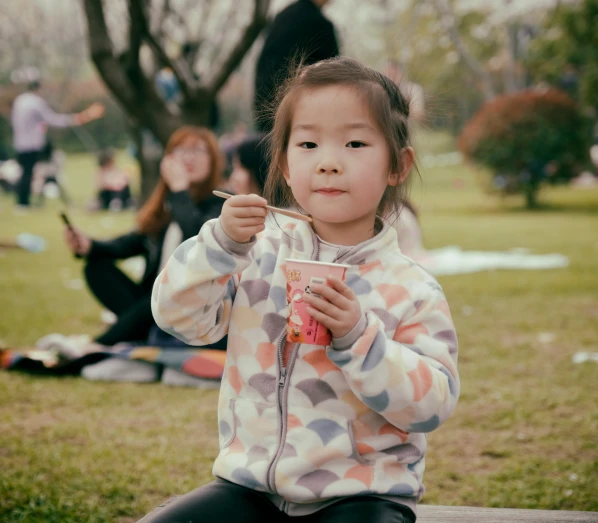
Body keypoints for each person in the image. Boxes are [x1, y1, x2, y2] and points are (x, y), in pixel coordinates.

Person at [146, 57, 459, 522]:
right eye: (308, 143)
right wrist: (219, 245)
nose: (329, 163)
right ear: (286, 166)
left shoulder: (410, 288)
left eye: (355, 143)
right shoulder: (252, 254)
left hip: (362, 496)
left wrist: (358, 337)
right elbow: (177, 318)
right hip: (249, 488)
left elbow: (432, 403)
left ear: (398, 164)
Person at [63, 126, 226, 349]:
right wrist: (89, 245)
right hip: (152, 304)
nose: (188, 157)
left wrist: (180, 190)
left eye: (198, 151)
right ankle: (140, 332)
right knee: (96, 267)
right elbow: (132, 242)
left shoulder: (222, 204)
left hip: (193, 307)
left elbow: (197, 241)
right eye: (181, 150)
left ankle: (98, 345)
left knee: (160, 299)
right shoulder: (167, 205)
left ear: (213, 160)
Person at [11, 78, 104, 208]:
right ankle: (23, 202)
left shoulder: (19, 100)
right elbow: (52, 119)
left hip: (20, 143)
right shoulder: (35, 102)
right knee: (30, 172)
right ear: (37, 89)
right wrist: (78, 118)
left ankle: (23, 201)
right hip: (32, 144)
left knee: (26, 172)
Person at [254, 0, 339, 134]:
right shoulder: (319, 23)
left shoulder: (283, 17)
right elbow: (334, 72)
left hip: (269, 108)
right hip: (304, 110)